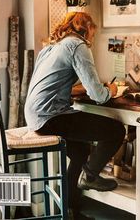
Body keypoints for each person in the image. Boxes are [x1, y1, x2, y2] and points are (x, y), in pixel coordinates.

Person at [24, 11, 126, 220]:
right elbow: (99, 96)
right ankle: (90, 176)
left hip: (35, 114)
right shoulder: (79, 46)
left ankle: (70, 210)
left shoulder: (52, 47)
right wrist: (113, 89)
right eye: (93, 34)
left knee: (80, 151)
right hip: (51, 115)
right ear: (86, 29)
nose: (92, 39)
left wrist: (91, 88)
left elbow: (60, 87)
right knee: (116, 130)